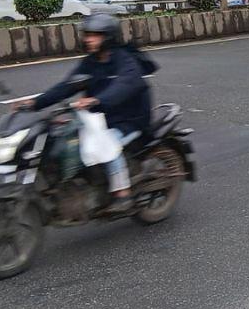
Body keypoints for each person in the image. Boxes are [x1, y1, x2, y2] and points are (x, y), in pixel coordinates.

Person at [16, 14, 152, 214]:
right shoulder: (90, 62)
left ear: (108, 37)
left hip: (128, 120)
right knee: (62, 140)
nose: (89, 39)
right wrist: (35, 103)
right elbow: (66, 86)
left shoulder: (125, 60)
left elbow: (125, 85)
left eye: (95, 35)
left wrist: (97, 100)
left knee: (105, 144)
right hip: (98, 119)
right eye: (87, 35)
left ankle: (123, 193)